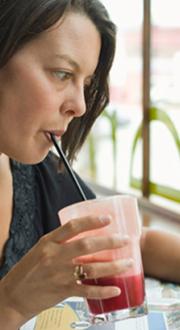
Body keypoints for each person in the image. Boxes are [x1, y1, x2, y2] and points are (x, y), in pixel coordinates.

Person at [0, 0, 180, 329]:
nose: (81, 107)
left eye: (85, 85)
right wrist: (10, 303)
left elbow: (131, 243)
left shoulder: (39, 176)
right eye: (62, 73)